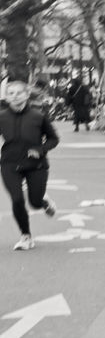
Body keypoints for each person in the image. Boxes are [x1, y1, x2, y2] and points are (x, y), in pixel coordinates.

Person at [1, 79, 60, 252]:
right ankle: (26, 236)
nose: (15, 97)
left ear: (27, 95)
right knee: (17, 199)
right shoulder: (2, 117)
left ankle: (43, 201)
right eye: (11, 93)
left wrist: (40, 150)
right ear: (6, 97)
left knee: (34, 202)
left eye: (19, 93)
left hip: (36, 164)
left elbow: (53, 139)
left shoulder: (38, 116)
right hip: (9, 164)